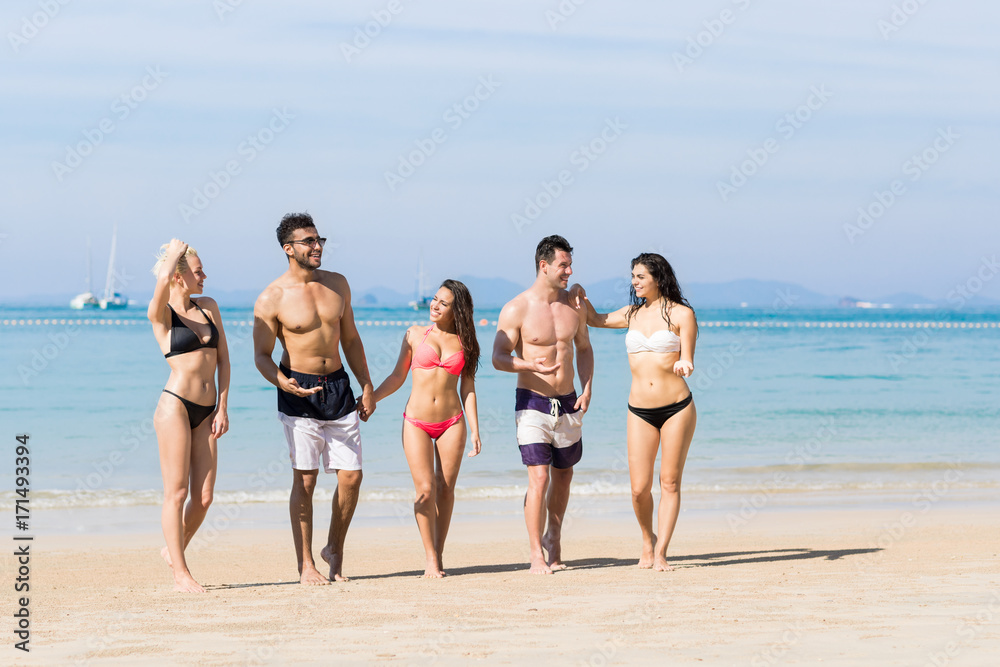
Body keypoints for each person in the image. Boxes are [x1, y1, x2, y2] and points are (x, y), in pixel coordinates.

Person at [253, 213, 376, 584]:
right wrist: (281, 382)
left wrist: (366, 384)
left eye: (319, 239)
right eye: (308, 241)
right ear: (288, 249)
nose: (317, 245)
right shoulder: (272, 297)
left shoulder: (337, 284)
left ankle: (333, 547)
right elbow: (261, 354)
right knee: (305, 481)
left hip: (339, 385)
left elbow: (350, 339)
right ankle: (306, 564)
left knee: (351, 478)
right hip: (298, 389)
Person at [571, 252, 697, 571]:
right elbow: (595, 319)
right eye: (633, 276)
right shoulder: (631, 314)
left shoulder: (682, 314)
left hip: (677, 408)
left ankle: (662, 553)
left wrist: (685, 363)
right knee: (639, 488)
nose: (634, 282)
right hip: (639, 410)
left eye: (640, 276)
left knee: (669, 482)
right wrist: (577, 293)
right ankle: (647, 538)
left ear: (658, 277)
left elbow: (688, 357)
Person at [492, 235, 593, 574]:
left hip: (568, 401)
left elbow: (584, 348)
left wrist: (588, 387)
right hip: (533, 401)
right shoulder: (516, 307)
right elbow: (498, 357)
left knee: (563, 476)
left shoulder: (573, 305)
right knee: (538, 478)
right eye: (563, 265)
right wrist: (529, 365)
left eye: (570, 265)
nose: (569, 271)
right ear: (544, 265)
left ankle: (554, 539)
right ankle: (536, 554)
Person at [372, 280, 482, 578]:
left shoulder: (466, 343)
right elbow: (397, 376)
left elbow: (468, 388)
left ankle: (439, 551)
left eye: (443, 303)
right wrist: (372, 398)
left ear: (456, 309)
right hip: (416, 422)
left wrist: (475, 429)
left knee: (445, 491)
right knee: (425, 490)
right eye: (435, 299)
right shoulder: (414, 335)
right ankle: (430, 558)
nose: (434, 305)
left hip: (452, 422)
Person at [148, 239, 230, 593]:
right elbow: (161, 282)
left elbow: (224, 360)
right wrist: (171, 255)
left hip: (208, 411)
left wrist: (223, 406)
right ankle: (181, 573)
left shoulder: (209, 306)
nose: (205, 276)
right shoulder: (161, 315)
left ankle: (173, 549)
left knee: (205, 497)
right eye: (198, 272)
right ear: (179, 277)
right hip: (175, 407)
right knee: (177, 493)